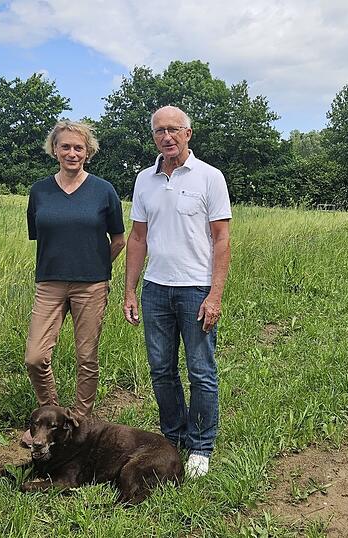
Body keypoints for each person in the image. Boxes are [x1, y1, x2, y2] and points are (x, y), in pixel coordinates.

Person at [122, 105, 231, 478]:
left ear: (188, 133)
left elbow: (221, 238)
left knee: (201, 370)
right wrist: (131, 290)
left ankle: (200, 445)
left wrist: (214, 295)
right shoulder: (144, 180)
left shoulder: (210, 177)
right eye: (158, 131)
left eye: (173, 129)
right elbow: (138, 238)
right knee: (162, 370)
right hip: (155, 289)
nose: (166, 136)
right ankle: (172, 437)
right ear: (153, 136)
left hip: (195, 289)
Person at [22, 120, 126, 445]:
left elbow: (119, 239)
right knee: (35, 357)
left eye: (78, 147)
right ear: (55, 149)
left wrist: (95, 266)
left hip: (91, 285)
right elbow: (40, 234)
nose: (71, 152)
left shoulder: (103, 190)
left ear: (88, 152)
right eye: (65, 146)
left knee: (87, 356)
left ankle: (78, 422)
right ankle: (51, 414)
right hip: (50, 282)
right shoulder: (40, 191)